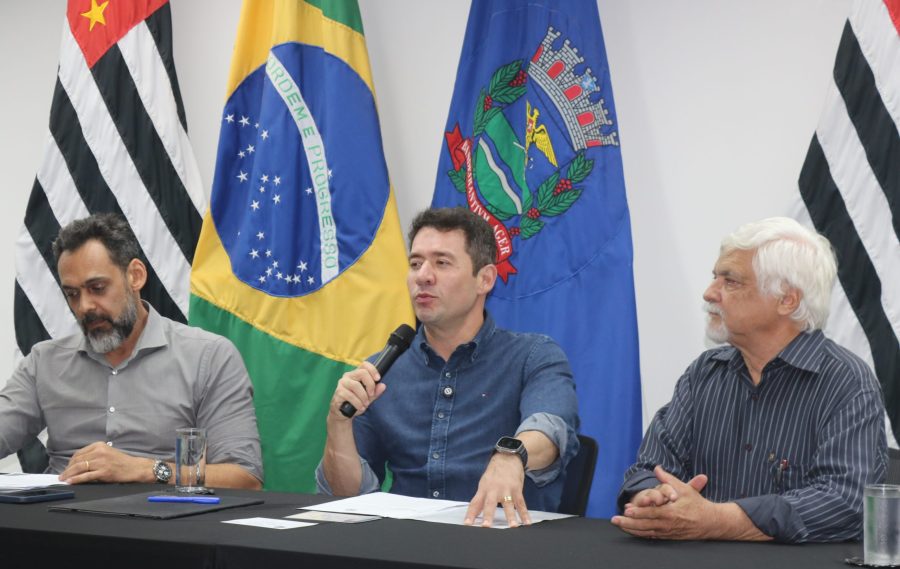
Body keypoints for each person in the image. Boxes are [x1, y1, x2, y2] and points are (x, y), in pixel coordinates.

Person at [613, 217, 887, 543]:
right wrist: (653, 496)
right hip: (696, 568)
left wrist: (717, 520)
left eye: (731, 282)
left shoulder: (846, 382)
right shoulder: (705, 372)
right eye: (715, 278)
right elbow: (649, 467)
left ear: (787, 300)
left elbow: (843, 502)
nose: (709, 293)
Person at [317, 207, 579, 527]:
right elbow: (346, 498)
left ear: (485, 279)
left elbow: (552, 430)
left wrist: (512, 455)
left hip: (501, 543)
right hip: (405, 543)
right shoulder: (380, 371)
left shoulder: (533, 356)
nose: (423, 276)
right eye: (416, 263)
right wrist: (338, 424)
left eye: (442, 263)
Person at [0, 214, 263, 489]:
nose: (84, 306)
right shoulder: (44, 362)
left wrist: (146, 469)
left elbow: (245, 478)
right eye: (73, 294)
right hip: (59, 510)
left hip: (161, 512)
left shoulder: (209, 357)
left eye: (97, 288)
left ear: (135, 276)